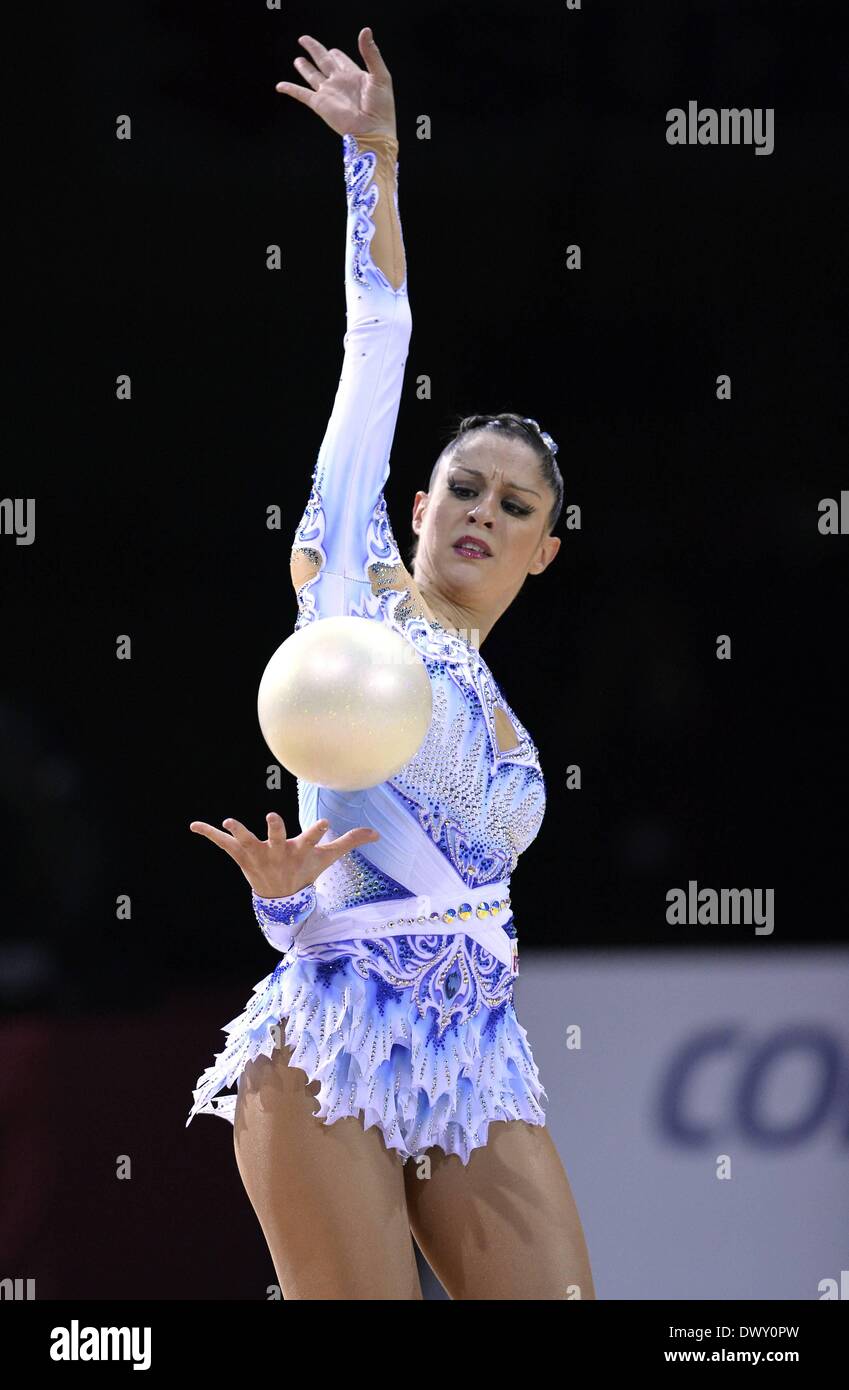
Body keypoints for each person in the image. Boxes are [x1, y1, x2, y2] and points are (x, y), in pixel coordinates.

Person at [187, 27, 595, 1301]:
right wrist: (377, 159)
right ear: (413, 504)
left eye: (515, 507)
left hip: (478, 1050)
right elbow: (380, 329)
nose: (483, 510)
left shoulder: (513, 722)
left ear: (544, 552)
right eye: (463, 487)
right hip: (331, 1038)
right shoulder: (350, 587)